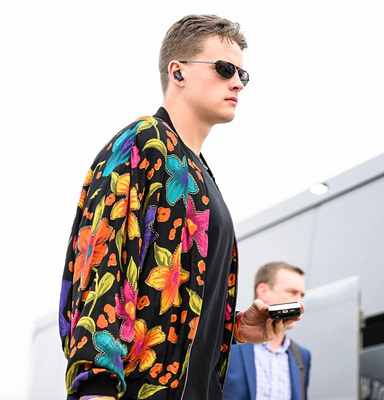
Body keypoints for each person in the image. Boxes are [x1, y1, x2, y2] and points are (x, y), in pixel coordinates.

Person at [58, 15, 304, 400]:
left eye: (243, 74)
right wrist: (98, 389)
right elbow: (101, 269)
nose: (237, 82)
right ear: (178, 72)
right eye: (225, 69)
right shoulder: (143, 144)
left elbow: (173, 310)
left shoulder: (202, 175)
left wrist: (236, 330)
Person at [223, 262, 311, 400]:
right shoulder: (227, 343)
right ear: (263, 291)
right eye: (292, 292)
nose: (300, 302)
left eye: (302, 295)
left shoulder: (302, 356)